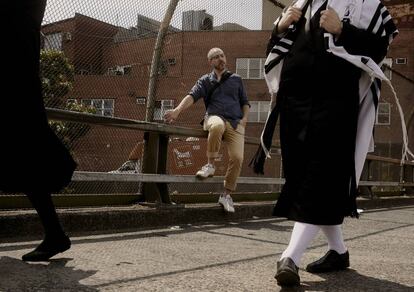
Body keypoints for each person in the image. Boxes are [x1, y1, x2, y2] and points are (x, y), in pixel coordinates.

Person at [250, 0, 398, 287]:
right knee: (303, 174)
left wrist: (342, 30)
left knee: (319, 177)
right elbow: (275, 52)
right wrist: (279, 27)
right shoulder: (301, 3)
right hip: (295, 103)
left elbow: (380, 50)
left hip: (335, 102)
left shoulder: (367, 4)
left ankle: (289, 256)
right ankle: (339, 252)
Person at [1, 0, 76, 261]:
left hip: (13, 78)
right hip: (19, 82)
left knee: (23, 155)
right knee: (25, 157)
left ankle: (55, 233)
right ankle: (54, 232)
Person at [164, 48, 250, 213]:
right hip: (214, 117)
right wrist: (176, 111)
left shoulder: (236, 79)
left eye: (222, 56)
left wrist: (245, 119)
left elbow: (245, 102)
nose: (220, 59)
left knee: (238, 158)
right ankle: (210, 165)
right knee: (217, 126)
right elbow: (191, 97)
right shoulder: (205, 80)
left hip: (235, 122)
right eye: (216, 57)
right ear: (210, 62)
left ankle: (226, 195)